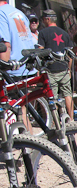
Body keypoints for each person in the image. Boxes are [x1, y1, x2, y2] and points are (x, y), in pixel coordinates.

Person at [0, 0, 36, 128]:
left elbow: (5, 46)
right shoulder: (18, 13)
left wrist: (3, 69)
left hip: (11, 70)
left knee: (14, 111)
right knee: (22, 110)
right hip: (25, 67)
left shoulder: (1, 14)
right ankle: (29, 139)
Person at [37, 9, 73, 117]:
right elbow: (70, 55)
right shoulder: (65, 33)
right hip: (64, 68)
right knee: (68, 94)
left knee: (52, 96)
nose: (43, 21)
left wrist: (39, 69)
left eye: (43, 19)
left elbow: (40, 52)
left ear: (47, 19)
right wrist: (69, 69)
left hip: (50, 69)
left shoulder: (43, 33)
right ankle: (71, 119)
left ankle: (54, 121)